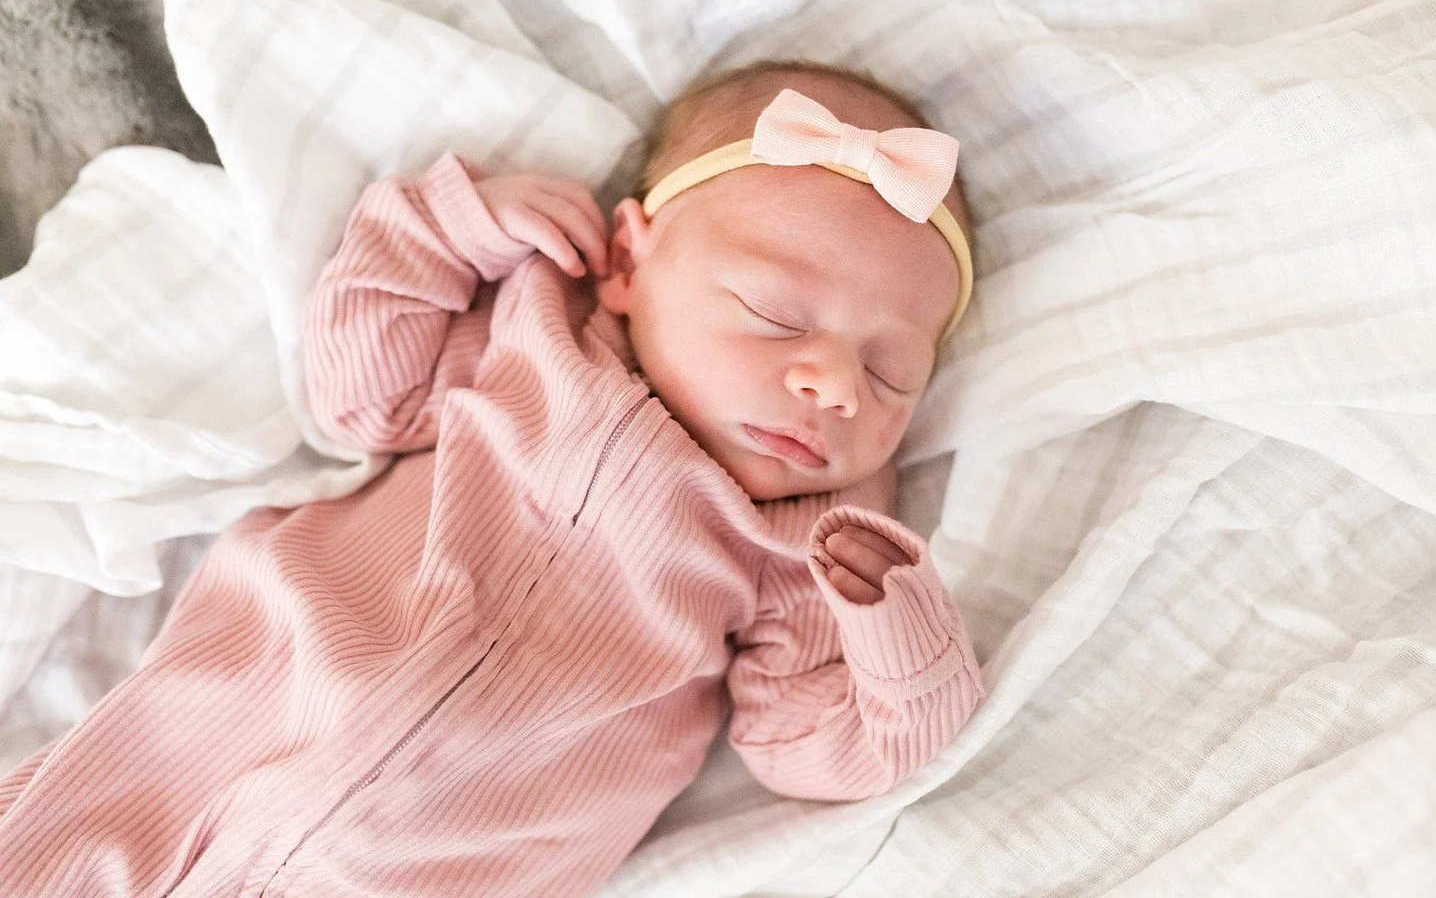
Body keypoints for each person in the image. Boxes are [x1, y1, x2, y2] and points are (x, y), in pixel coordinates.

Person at [0, 59, 984, 897]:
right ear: (629, 261)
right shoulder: (524, 337)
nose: (833, 384)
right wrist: (445, 228)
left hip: (444, 863)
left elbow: (811, 749)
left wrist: (899, 631)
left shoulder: (812, 545)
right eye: (774, 313)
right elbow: (358, 392)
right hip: (196, 743)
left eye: (890, 370)